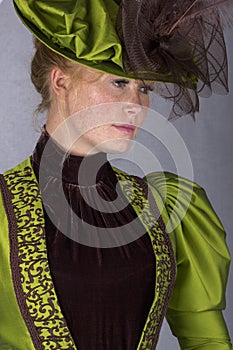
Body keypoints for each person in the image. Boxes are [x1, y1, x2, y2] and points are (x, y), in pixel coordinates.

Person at [0, 1, 232, 349]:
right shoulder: (3, 210)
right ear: (61, 82)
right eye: (119, 82)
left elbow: (206, 339)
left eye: (144, 88)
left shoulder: (167, 207)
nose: (137, 105)